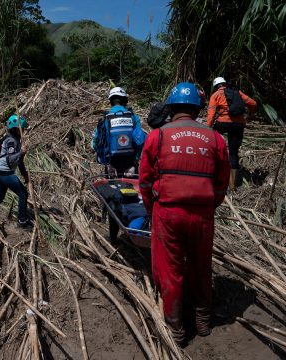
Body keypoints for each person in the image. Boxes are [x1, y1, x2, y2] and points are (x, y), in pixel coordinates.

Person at [139, 82, 230, 345]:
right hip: (202, 215)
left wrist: (151, 207)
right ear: (198, 108)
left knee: (171, 269)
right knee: (201, 266)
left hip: (168, 213)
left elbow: (144, 181)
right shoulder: (215, 138)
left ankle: (176, 327)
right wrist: (210, 205)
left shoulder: (158, 136)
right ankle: (202, 319)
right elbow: (222, 182)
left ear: (172, 107)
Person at [206, 77, 257, 189]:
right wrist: (250, 115)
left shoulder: (216, 95)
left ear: (216, 86)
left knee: (212, 145)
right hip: (238, 125)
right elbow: (253, 103)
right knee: (233, 153)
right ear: (225, 83)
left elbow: (211, 114)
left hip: (222, 123)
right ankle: (233, 185)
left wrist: (208, 129)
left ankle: (213, 172)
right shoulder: (237, 92)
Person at [92, 86, 147, 177]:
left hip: (111, 166)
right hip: (130, 165)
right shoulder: (133, 118)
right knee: (131, 190)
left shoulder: (105, 119)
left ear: (110, 102)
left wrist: (107, 163)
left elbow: (95, 143)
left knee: (112, 190)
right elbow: (140, 141)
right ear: (125, 101)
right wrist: (135, 162)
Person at [0, 114, 32, 229]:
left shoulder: (15, 139)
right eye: (22, 129)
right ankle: (22, 220)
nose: (23, 131)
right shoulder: (11, 140)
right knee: (23, 194)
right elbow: (11, 158)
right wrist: (22, 152)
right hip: (5, 173)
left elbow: (19, 161)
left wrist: (25, 174)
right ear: (16, 129)